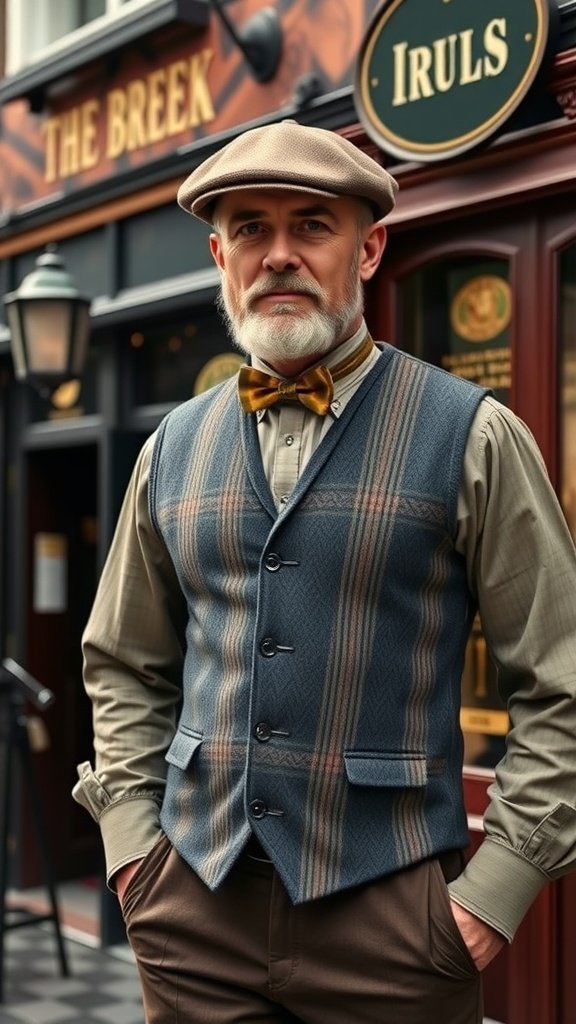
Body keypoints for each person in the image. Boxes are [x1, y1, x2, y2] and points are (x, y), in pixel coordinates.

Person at [73, 119, 576, 1024]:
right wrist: (132, 852)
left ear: (370, 246)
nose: (279, 256)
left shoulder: (473, 432)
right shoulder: (171, 447)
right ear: (219, 254)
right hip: (192, 906)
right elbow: (125, 664)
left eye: (312, 225)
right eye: (252, 230)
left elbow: (563, 679)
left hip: (394, 922)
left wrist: (493, 891)